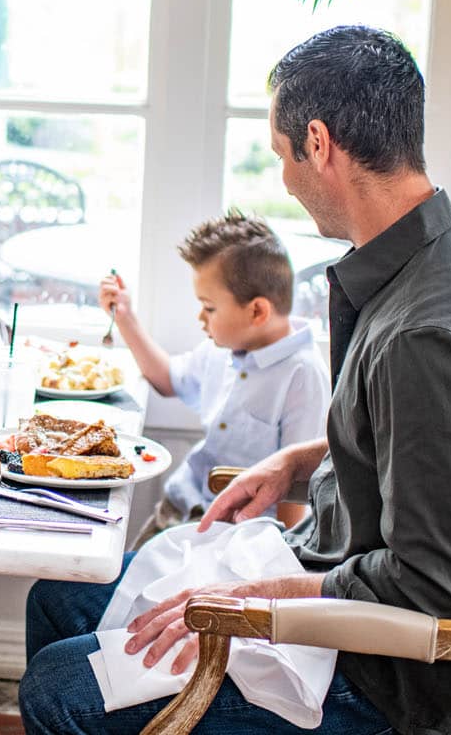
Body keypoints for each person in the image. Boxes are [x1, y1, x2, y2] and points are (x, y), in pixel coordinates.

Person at [20, 25, 451, 735]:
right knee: (56, 598)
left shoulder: (431, 337)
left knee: (57, 691)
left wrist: (252, 601)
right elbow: (423, 454)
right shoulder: (422, 265)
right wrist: (299, 462)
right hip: (336, 601)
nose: (286, 181)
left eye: (281, 155)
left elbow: (433, 584)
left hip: (375, 676)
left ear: (318, 144)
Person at [102, 211, 329, 546]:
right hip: (177, 510)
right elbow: (166, 379)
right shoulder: (221, 349)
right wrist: (124, 318)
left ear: (257, 311)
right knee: (116, 570)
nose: (200, 317)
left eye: (209, 308)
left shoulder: (302, 376)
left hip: (233, 537)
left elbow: (295, 494)